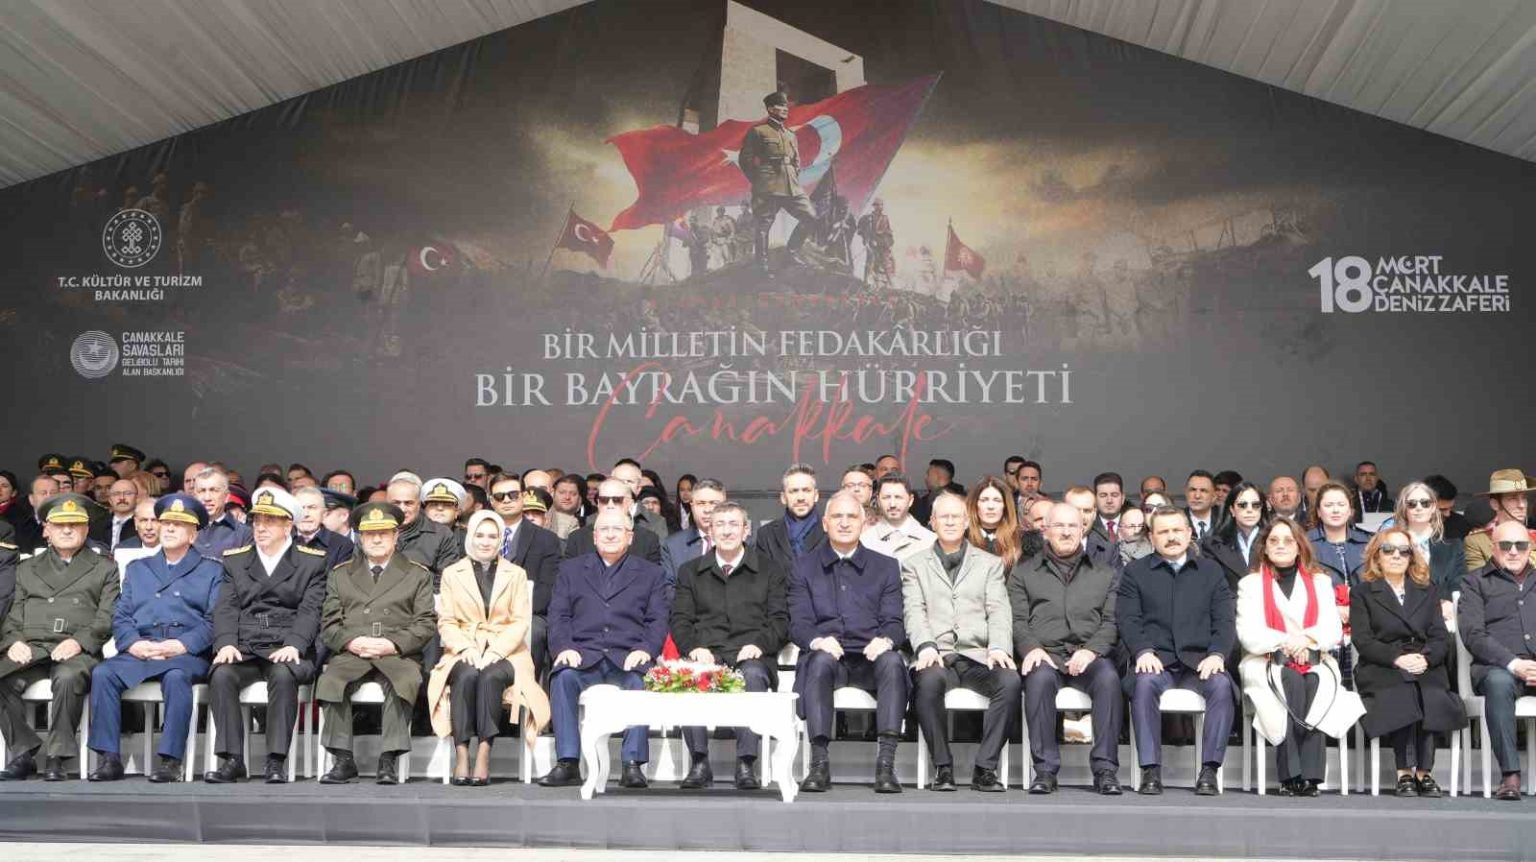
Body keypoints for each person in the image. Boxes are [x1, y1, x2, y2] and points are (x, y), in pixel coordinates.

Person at [87, 493, 223, 782]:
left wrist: (182, 644)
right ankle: (109, 758)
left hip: (185, 652)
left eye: (178, 524)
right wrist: (133, 643)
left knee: (175, 677)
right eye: (166, 523)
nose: (169, 528)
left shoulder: (212, 570)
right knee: (103, 673)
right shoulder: (139, 568)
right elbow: (121, 615)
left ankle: (171, 761)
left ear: (193, 534)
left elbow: (214, 620)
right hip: (143, 647)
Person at [204, 487, 329, 784]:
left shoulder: (312, 562)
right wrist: (226, 643)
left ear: (288, 526)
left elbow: (311, 610)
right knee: (221, 674)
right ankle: (232, 759)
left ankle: (276, 760)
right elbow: (226, 607)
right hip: (246, 646)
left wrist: (295, 644)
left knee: (283, 675)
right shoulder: (236, 560)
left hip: (287, 644)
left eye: (270, 521)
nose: (260, 527)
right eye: (257, 520)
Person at [539, 509, 668, 790]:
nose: (610, 535)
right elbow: (558, 615)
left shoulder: (651, 574)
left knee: (640, 681)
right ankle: (568, 762)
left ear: (630, 536)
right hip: (584, 655)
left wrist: (645, 649)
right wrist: (564, 647)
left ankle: (632, 764)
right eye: (604, 530)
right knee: (563, 677)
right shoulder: (571, 570)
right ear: (594, 536)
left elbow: (657, 619)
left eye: (617, 529)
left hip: (627, 656)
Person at [1235, 517, 1364, 796]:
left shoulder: (1320, 582)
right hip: (1266, 660)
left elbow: (1332, 629)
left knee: (1314, 682)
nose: (1281, 546)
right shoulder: (1250, 584)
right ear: (1265, 547)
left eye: (1288, 540)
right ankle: (1290, 775)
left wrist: (1306, 640)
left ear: (1299, 546)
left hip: (1315, 656)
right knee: (1291, 680)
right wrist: (1288, 642)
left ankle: (1311, 776)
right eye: (1274, 541)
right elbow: (1248, 633)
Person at [789, 492, 907, 794]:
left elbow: (895, 621)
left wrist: (886, 640)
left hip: (870, 658)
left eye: (852, 516)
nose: (844, 523)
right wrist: (817, 640)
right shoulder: (804, 566)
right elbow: (799, 622)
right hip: (829, 657)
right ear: (825, 523)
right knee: (818, 662)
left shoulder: (886, 566)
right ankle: (819, 764)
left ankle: (886, 765)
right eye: (837, 517)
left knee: (893, 661)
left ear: (864, 523)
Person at [0, 495, 120, 781]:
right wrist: (14, 641)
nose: (67, 530)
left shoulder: (104, 567)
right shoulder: (27, 567)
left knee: (67, 677)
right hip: (32, 646)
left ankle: (57, 756)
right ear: (47, 530)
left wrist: (79, 641)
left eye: (75, 524)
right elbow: (13, 613)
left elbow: (108, 616)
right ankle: (23, 751)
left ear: (86, 529)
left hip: (76, 649)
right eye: (60, 525)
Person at [903, 493, 1017, 792]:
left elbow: (999, 610)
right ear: (932, 522)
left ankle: (985, 768)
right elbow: (914, 610)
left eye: (956, 516)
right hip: (937, 655)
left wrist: (999, 646)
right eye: (944, 517)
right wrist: (925, 645)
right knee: (927, 683)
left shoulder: (990, 563)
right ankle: (943, 767)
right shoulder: (914, 564)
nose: (951, 522)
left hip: (979, 655)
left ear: (967, 521)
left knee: (1010, 682)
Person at [316, 503, 436, 785]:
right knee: (331, 680)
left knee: (403, 680)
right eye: (370, 534)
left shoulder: (417, 574)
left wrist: (392, 644)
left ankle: (388, 759)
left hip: (396, 652)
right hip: (353, 651)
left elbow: (425, 623)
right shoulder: (341, 574)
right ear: (360, 538)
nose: (377, 539)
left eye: (384, 533)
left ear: (396, 536)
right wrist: (352, 642)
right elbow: (329, 624)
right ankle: (343, 759)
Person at [1118, 506, 1235, 796]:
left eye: (1176, 530)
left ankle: (1209, 770)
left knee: (1221, 686)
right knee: (1144, 684)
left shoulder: (1210, 571)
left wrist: (1217, 654)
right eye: (1163, 532)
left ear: (1189, 533)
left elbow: (1224, 620)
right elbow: (1128, 619)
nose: (1171, 537)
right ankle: (1150, 770)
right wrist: (1143, 651)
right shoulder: (1135, 572)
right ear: (1151, 537)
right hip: (1157, 662)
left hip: (1200, 662)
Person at [428, 510, 550, 786]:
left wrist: (496, 650)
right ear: (470, 536)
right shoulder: (452, 573)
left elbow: (520, 621)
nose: (485, 541)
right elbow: (446, 621)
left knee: (491, 676)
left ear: (501, 540)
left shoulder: (516, 574)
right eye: (480, 535)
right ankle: (462, 753)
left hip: (507, 650)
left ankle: (484, 752)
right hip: (464, 647)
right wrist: (464, 648)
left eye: (492, 536)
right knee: (467, 675)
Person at [670, 501, 787, 790]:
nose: (726, 531)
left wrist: (760, 645)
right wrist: (694, 648)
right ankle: (699, 761)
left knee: (752, 675)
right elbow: (680, 620)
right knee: (692, 674)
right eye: (719, 524)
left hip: (751, 654)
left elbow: (780, 620)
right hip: (706, 653)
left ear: (746, 530)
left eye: (734, 524)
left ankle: (746, 763)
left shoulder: (769, 570)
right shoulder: (690, 571)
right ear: (709, 531)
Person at [1011, 501, 1123, 795]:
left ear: (1083, 529)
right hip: (1045, 654)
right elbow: (1017, 620)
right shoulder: (1024, 573)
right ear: (1045, 530)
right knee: (1038, 680)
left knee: (1109, 679)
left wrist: (1091, 650)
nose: (1066, 531)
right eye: (1059, 525)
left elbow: (1111, 621)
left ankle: (1106, 770)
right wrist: (1032, 648)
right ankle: (1045, 771)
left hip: (1090, 655)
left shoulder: (1105, 573)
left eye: (1073, 525)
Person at [1350, 528, 1464, 798]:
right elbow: (1363, 640)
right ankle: (1404, 772)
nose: (1396, 556)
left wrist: (1426, 658)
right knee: (1402, 691)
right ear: (1377, 556)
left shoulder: (1427, 590)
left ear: (1412, 557)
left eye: (1404, 551)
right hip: (1382, 665)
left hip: (1424, 662)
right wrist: (1397, 658)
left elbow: (1440, 636)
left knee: (1430, 693)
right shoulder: (1362, 592)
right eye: (1388, 550)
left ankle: (1424, 772)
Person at [1457, 519, 1536, 800]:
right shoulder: (1474, 582)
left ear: (1530, 548)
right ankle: (1510, 776)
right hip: (1498, 668)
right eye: (1506, 545)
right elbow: (1473, 635)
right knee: (1499, 683)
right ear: (1493, 548)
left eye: (1520, 545)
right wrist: (1514, 664)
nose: (1513, 551)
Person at [738, 91, 817, 275]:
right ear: (770, 109)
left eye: (786, 106)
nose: (785, 109)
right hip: (768, 186)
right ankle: (762, 266)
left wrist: (793, 176)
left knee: (810, 217)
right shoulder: (758, 132)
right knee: (763, 225)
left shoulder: (790, 135)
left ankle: (792, 252)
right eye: (781, 106)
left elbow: (796, 161)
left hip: (791, 186)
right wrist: (759, 180)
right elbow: (745, 159)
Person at [1389, 481, 1466, 619]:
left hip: (1443, 618)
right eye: (1412, 504)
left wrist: (1449, 602)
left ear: (1433, 507)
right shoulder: (1390, 544)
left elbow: (1459, 582)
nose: (1418, 508)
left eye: (1425, 503)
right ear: (1403, 508)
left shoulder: (1454, 546)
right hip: (1401, 617)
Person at [386, 474, 461, 589]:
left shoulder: (441, 535)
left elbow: (446, 581)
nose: (402, 509)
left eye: (408, 503)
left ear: (419, 504)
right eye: (396, 503)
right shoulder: (371, 532)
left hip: (425, 598)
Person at [563, 477, 661, 564]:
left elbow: (651, 576)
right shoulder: (577, 539)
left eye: (617, 500)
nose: (610, 505)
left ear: (631, 504)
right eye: (604, 500)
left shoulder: (648, 540)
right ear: (598, 504)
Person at [756, 464, 826, 573]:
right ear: (783, 498)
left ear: (816, 495)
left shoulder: (831, 531)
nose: (801, 498)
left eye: (806, 490)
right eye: (794, 491)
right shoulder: (766, 535)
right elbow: (763, 577)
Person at [1463, 470, 1536, 573]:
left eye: (1524, 498)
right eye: (1513, 499)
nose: (1522, 505)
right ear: (1495, 504)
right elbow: (1478, 579)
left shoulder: (1534, 536)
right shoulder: (1478, 542)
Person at [1204, 482, 1270, 591]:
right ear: (1232, 510)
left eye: (1256, 505)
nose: (1249, 510)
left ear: (1262, 509)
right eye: (1242, 505)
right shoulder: (1213, 545)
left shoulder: (1274, 541)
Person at [661, 478, 725, 586]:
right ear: (692, 506)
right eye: (701, 503)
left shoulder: (743, 543)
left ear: (724, 506)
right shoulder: (672, 546)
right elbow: (668, 587)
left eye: (713, 503)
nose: (707, 510)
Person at [861, 473, 934, 562]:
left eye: (898, 497)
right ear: (878, 500)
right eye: (886, 497)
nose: (892, 504)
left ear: (910, 500)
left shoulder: (930, 540)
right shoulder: (865, 541)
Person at [191, 466, 253, 557]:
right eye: (202, 491)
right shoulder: (184, 530)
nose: (207, 498)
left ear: (226, 496)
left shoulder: (244, 533)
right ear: (195, 496)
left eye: (214, 490)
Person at [966, 476, 1025, 570]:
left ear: (1005, 505)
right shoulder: (962, 538)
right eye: (984, 500)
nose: (991, 506)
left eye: (997, 500)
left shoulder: (1020, 539)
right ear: (975, 504)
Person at [291, 486, 354, 570]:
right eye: (300, 508)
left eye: (312, 508)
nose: (306, 514)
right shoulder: (281, 538)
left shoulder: (341, 545)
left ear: (324, 514)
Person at [1064, 485, 1115, 567]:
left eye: (1087, 511)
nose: (1081, 517)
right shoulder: (1047, 547)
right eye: (1075, 510)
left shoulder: (1108, 551)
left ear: (1094, 514)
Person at [93, 478, 139, 550]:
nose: (122, 498)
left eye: (128, 493)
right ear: (110, 499)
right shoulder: (97, 525)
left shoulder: (142, 524)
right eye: (116, 494)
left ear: (137, 498)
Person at [910, 459, 957, 527]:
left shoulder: (955, 500)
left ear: (940, 477)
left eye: (928, 474)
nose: (926, 478)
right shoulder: (963, 497)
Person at [1089, 472, 1126, 544]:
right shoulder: (1088, 527)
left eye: (1114, 495)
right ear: (1095, 498)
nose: (1109, 500)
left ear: (1123, 498)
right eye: (1103, 495)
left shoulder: (1134, 524)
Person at [1184, 471, 1218, 542]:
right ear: (1186, 492)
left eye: (1203, 491)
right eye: (1193, 490)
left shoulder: (1223, 521)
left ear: (1214, 496)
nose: (1197, 496)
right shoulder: (1177, 520)